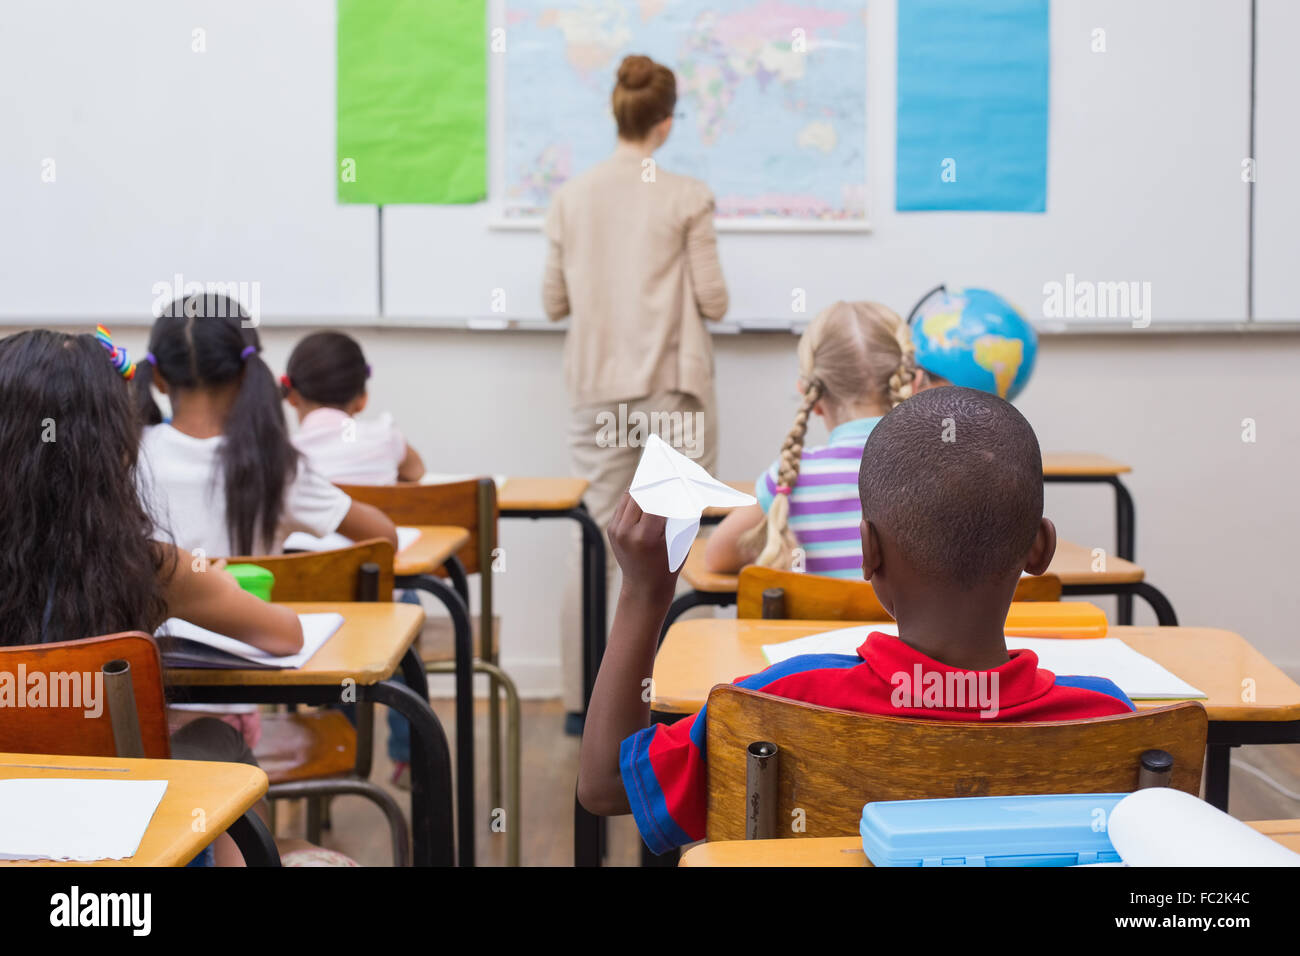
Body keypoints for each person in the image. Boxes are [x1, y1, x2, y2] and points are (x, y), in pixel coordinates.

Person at [576, 386, 1133, 854]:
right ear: (1040, 550)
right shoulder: (1112, 721)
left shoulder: (778, 704)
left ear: (867, 550)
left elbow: (604, 786)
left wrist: (645, 595)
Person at [0, 328, 320, 865]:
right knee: (217, 738)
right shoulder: (148, 566)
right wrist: (214, 577)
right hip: (127, 831)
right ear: (117, 446)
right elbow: (284, 634)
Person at [542, 53, 729, 730]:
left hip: (597, 392)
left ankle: (577, 705)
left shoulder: (573, 195)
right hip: (670, 394)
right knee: (673, 545)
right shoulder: (685, 195)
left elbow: (552, 299)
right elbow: (714, 296)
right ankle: (672, 701)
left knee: (594, 539)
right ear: (667, 122)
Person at [133, 294, 397, 557]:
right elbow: (385, 537)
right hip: (248, 601)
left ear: (157, 377)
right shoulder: (276, 469)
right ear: (246, 373)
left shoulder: (127, 458)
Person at [704, 301, 916, 577]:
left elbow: (717, 558)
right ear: (910, 384)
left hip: (823, 621)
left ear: (811, 398)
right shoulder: (935, 471)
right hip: (904, 623)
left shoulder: (789, 478)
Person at [282, 330, 425, 484]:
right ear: (362, 399)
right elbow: (417, 473)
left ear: (291, 396)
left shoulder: (282, 458)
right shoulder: (386, 439)